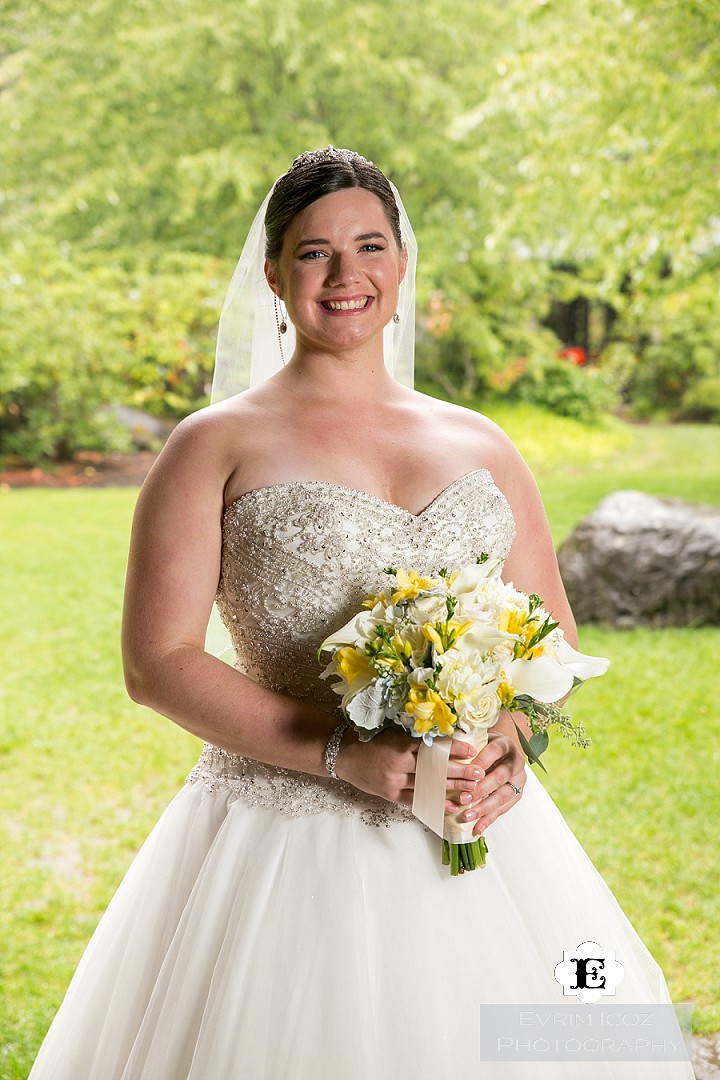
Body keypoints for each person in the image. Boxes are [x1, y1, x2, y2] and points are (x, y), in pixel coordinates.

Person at [29, 147, 694, 1079]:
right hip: (282, 837)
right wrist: (344, 754)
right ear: (273, 274)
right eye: (314, 253)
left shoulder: (482, 442)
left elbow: (554, 634)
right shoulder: (213, 445)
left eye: (370, 245)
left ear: (402, 264)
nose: (347, 276)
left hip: (478, 829)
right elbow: (158, 661)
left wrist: (509, 734)